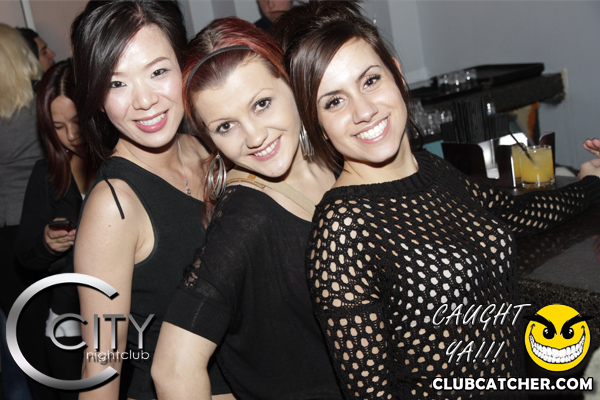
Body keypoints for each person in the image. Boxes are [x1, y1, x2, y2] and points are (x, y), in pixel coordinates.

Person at [271, 2, 600, 399]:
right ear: (317, 124)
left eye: (370, 80)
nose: (364, 111)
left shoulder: (432, 169)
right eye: (334, 101)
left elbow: (515, 214)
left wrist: (591, 183)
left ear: (397, 74)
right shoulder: (343, 227)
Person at [152, 17, 342, 400]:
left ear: (289, 81)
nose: (255, 137)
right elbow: (172, 370)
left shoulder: (335, 156)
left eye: (261, 104)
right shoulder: (246, 219)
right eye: (226, 126)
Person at [70, 1, 231, 399]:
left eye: (158, 72)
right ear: (96, 95)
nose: (144, 101)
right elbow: (102, 359)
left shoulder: (205, 148)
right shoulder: (113, 206)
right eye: (116, 83)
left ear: (183, 65)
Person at [15, 59, 94, 400]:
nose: (71, 136)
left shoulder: (123, 164)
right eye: (58, 126)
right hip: (68, 320)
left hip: (128, 317)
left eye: (77, 121)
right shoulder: (47, 173)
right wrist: (47, 244)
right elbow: (25, 256)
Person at [0, 22, 49, 400]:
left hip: (4, 234)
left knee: (25, 334)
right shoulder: (41, 106)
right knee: (61, 324)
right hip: (42, 225)